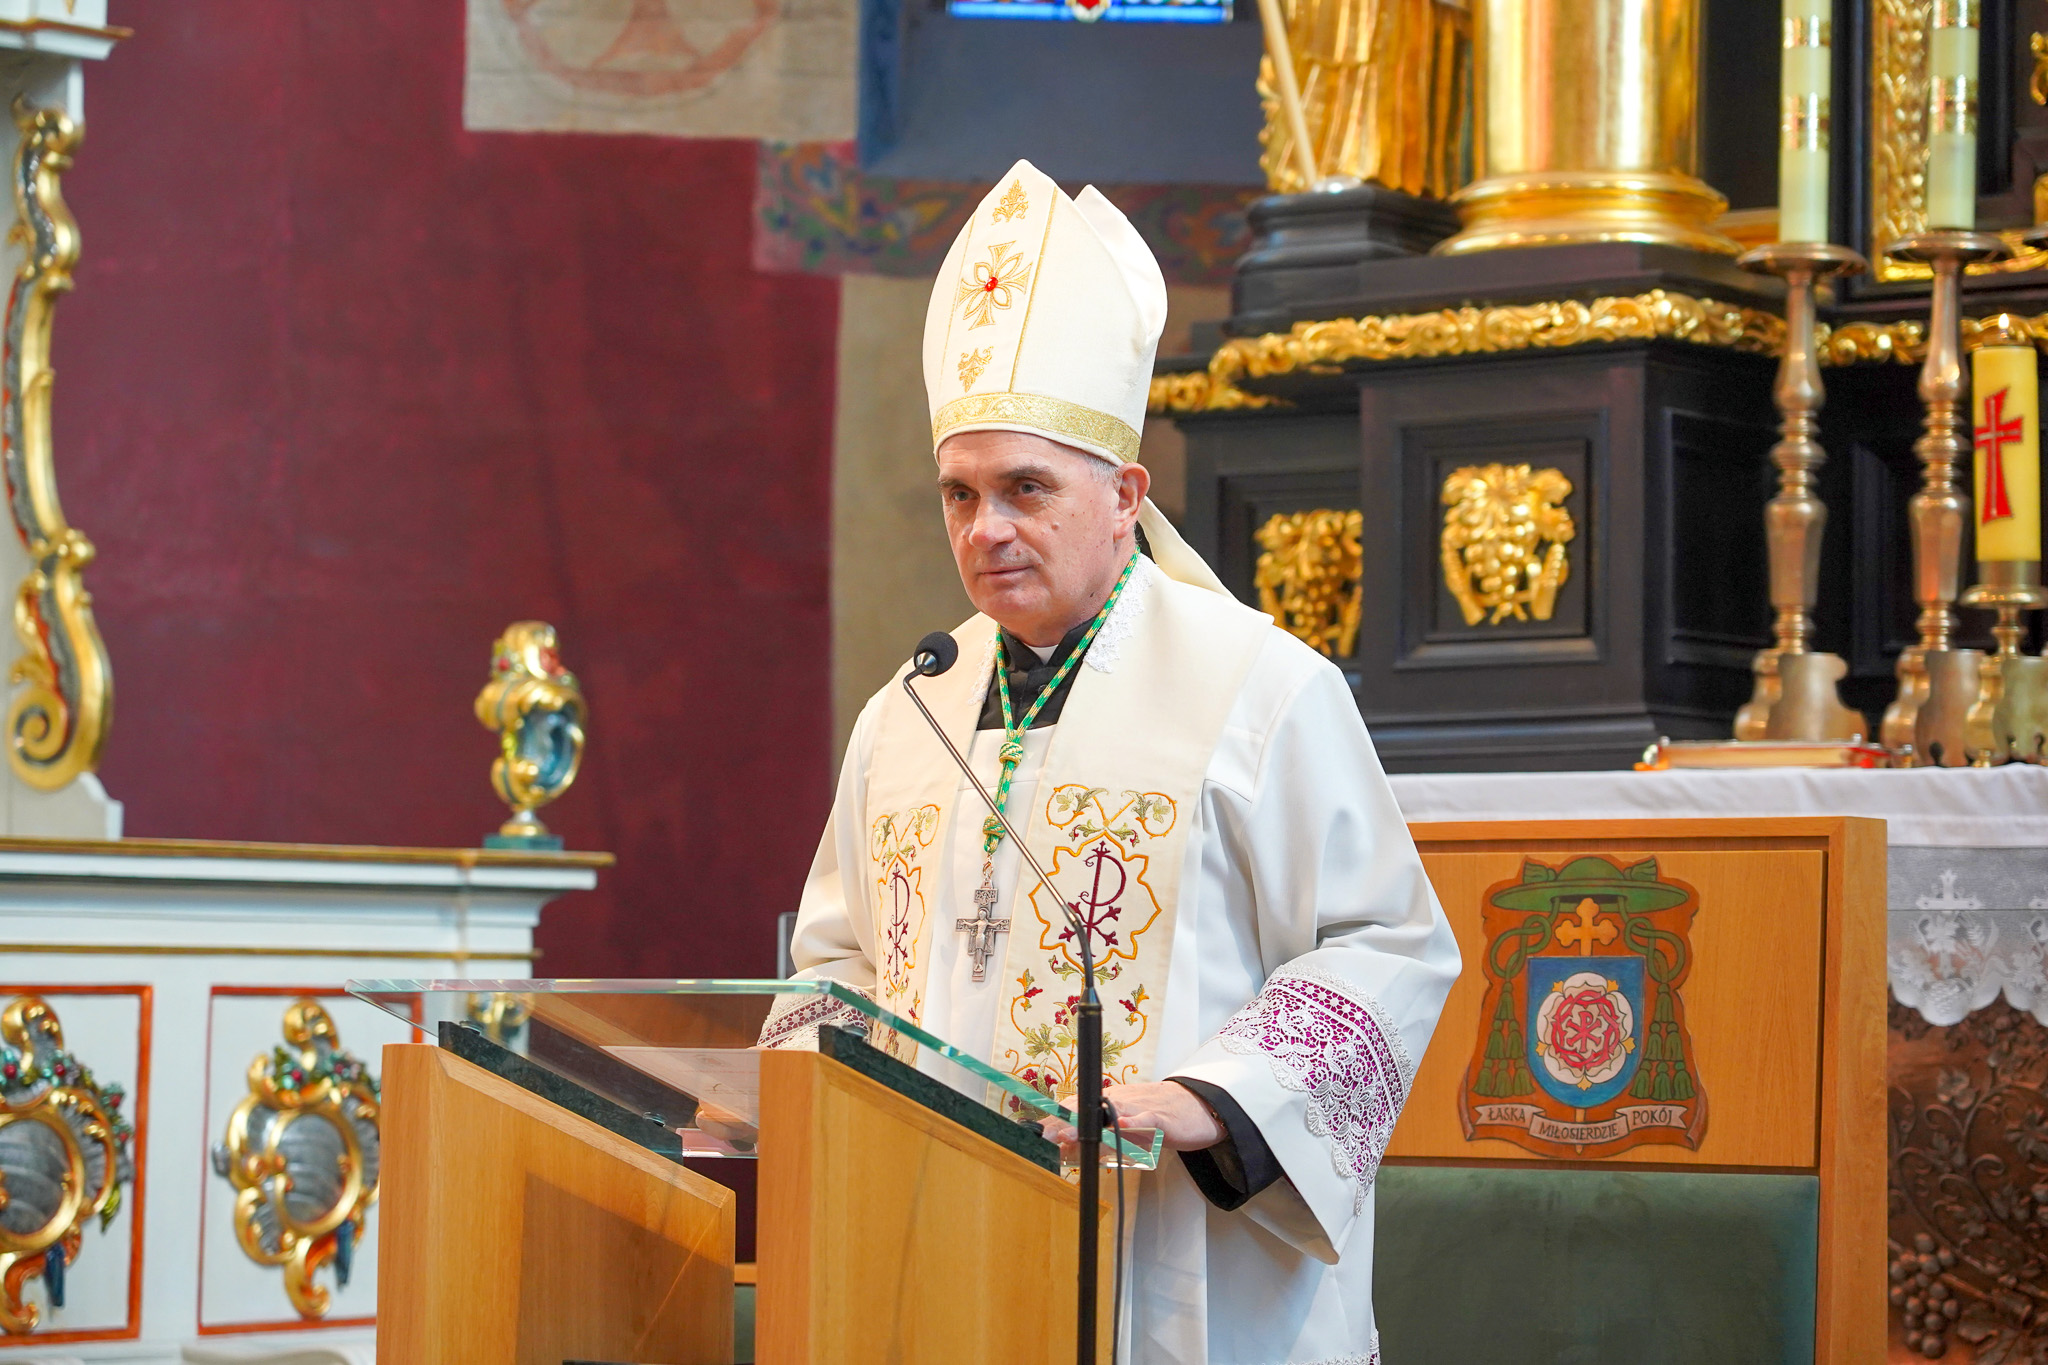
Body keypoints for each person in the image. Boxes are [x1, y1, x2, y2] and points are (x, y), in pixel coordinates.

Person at [770, 159, 1459, 1365]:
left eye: (1024, 488)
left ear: (1124, 494)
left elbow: (1385, 943)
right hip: (942, 1253)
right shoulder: (910, 708)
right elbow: (836, 962)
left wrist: (1216, 1098)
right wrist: (801, 1081)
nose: (985, 530)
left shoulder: (1257, 686)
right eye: (959, 495)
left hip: (1181, 1262)